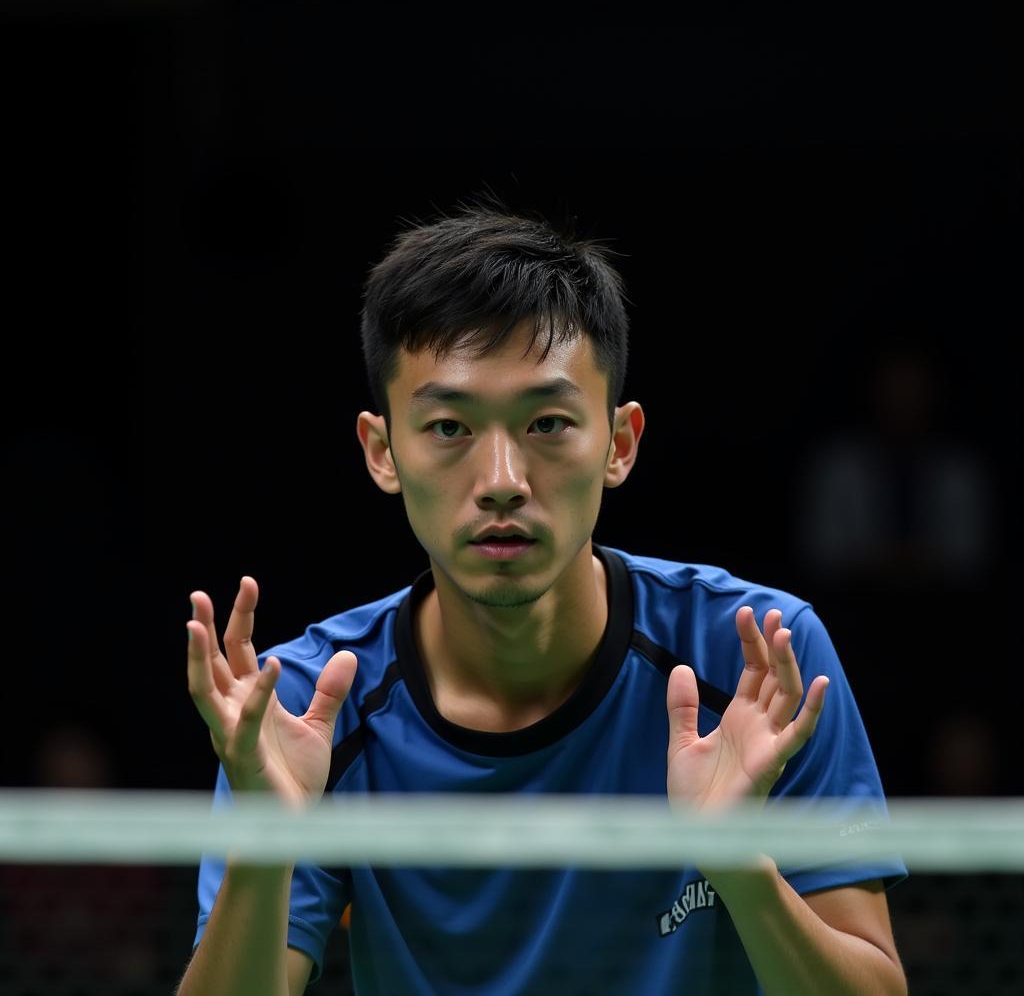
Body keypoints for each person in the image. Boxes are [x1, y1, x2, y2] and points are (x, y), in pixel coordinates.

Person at [178, 199, 908, 995]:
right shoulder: (308, 708)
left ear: (619, 444)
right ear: (382, 451)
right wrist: (264, 844)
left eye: (549, 424)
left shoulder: (758, 662)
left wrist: (740, 864)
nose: (501, 483)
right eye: (449, 428)